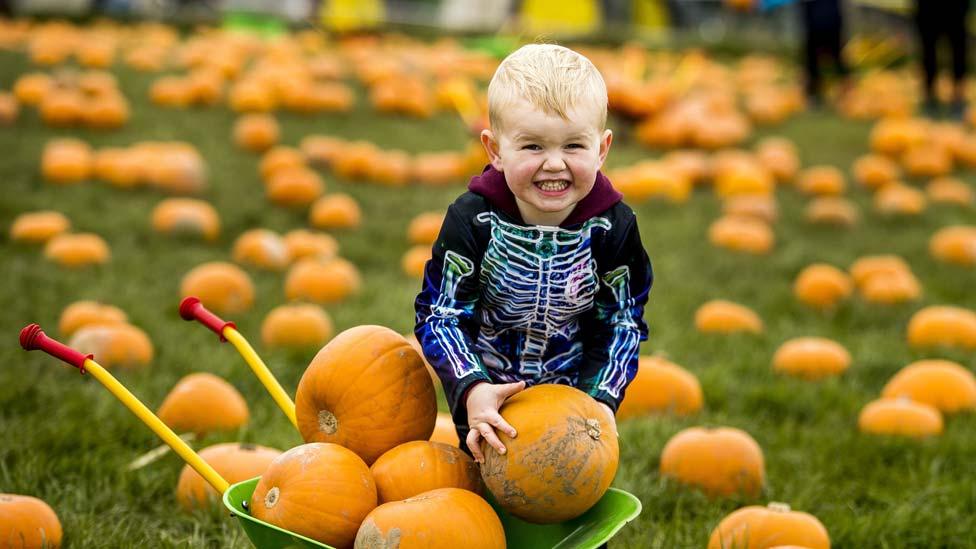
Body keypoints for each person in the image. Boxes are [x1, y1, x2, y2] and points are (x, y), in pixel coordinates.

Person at [414, 44, 653, 463]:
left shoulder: (613, 228)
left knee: (565, 500)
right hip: (488, 401)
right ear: (494, 150)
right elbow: (441, 314)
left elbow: (622, 320)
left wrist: (601, 397)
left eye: (574, 146)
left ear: (602, 149)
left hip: (575, 409)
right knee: (480, 507)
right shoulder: (473, 220)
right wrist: (471, 386)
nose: (554, 164)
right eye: (533, 147)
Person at [914, 0, 971, 119]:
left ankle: (958, 97)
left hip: (955, 7)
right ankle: (929, 97)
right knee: (928, 51)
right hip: (928, 8)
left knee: (958, 51)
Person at [797, 0, 851, 107]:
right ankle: (814, 94)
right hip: (819, 22)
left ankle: (845, 94)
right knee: (814, 61)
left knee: (835, 59)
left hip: (825, 22)